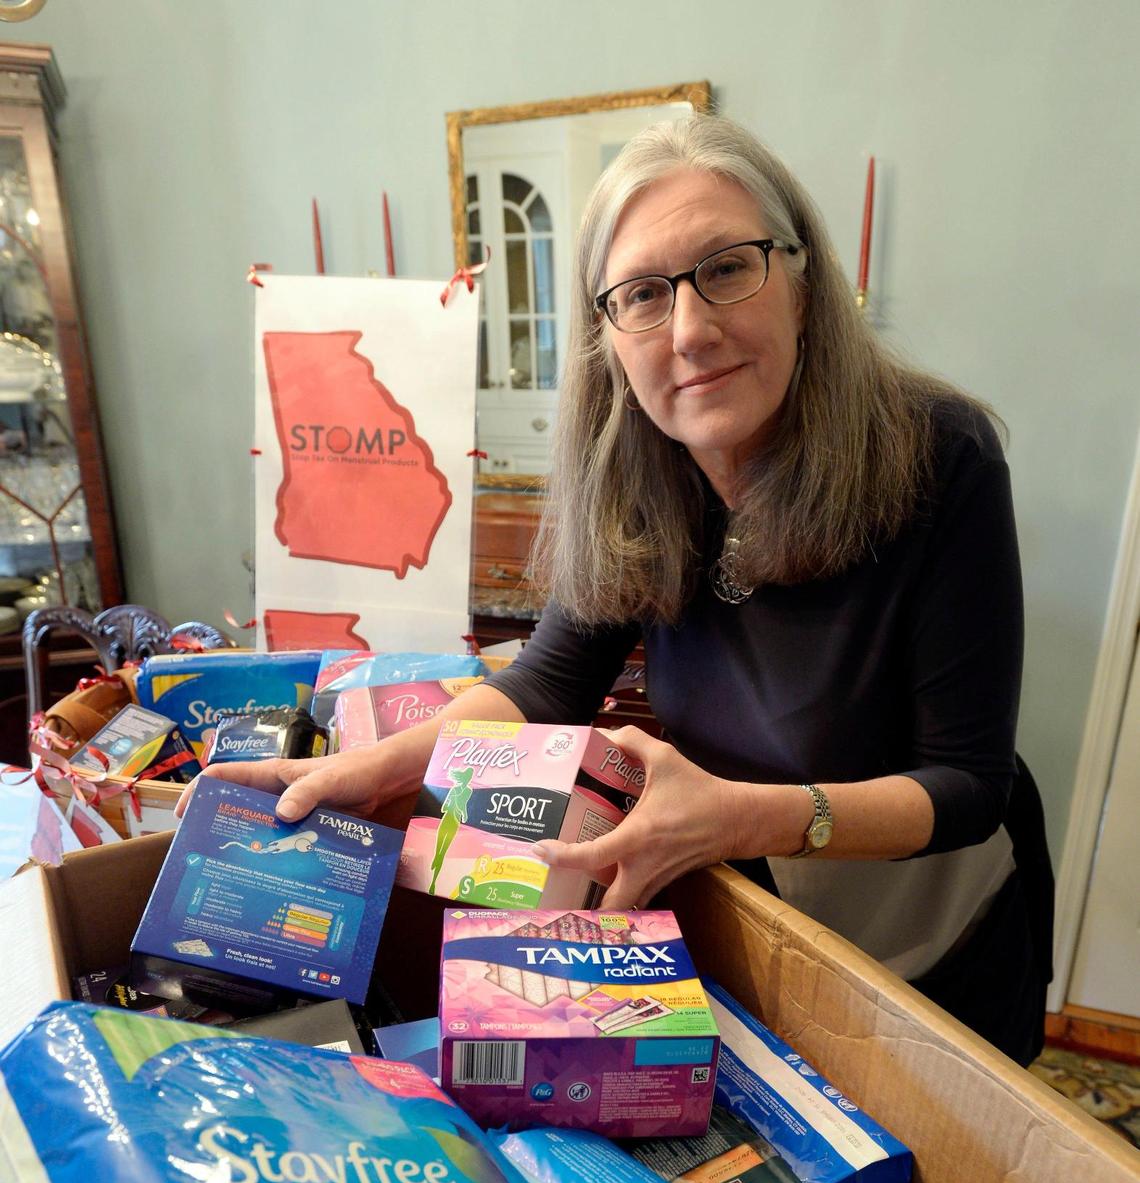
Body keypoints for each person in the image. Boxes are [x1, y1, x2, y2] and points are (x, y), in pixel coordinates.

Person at [201, 115, 1050, 1064]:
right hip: (764, 908)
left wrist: (745, 813)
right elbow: (543, 685)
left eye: (728, 267)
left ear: (803, 283)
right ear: (608, 334)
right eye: (643, 294)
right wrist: (367, 771)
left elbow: (968, 786)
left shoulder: (938, 458)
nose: (690, 329)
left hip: (931, 939)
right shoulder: (636, 471)